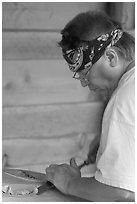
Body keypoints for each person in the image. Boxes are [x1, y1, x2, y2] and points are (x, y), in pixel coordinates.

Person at [45, 11, 135, 201]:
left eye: (85, 72)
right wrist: (111, 140)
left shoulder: (124, 100)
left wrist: (69, 183)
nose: (84, 83)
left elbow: (120, 193)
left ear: (110, 57)